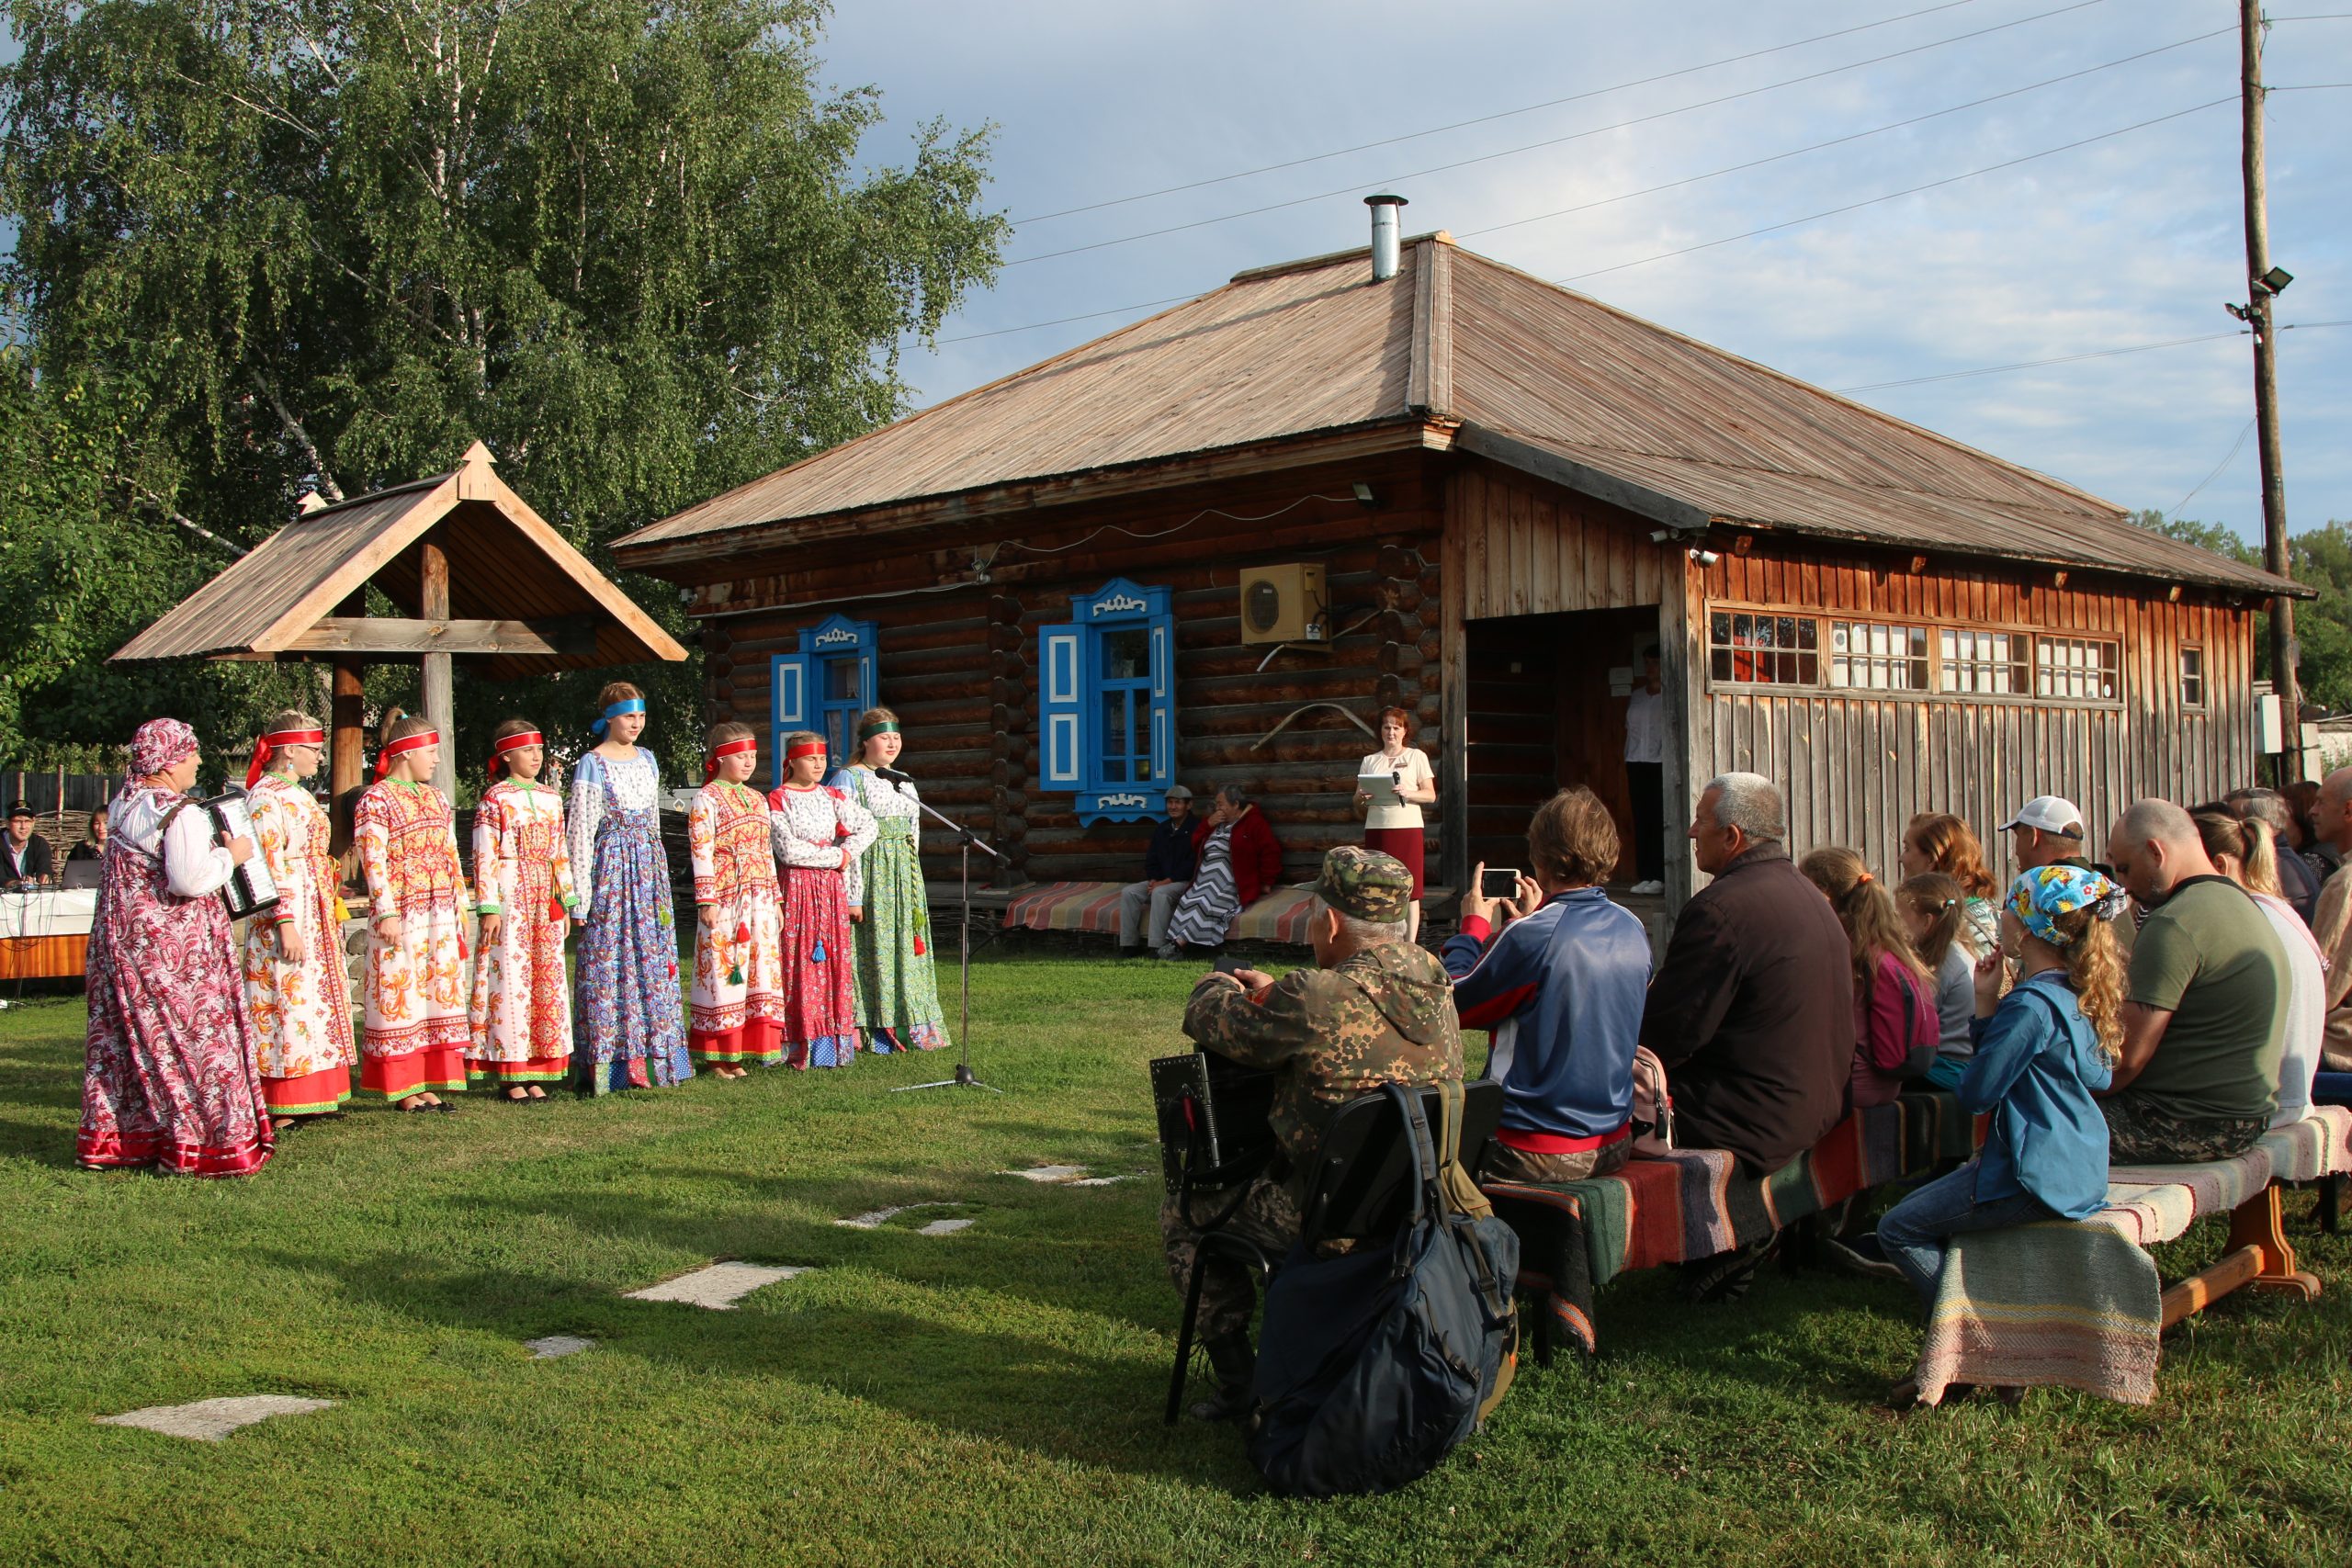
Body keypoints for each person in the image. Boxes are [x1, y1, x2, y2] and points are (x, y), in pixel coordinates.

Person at [1164, 846, 1471, 1420]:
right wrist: (1278, 992)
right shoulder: (1437, 983)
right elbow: (1358, 1011)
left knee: (1185, 1214)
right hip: (1416, 1209)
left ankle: (1239, 1382)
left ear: (1330, 921)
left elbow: (1210, 1021)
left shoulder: (1313, 999)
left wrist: (1215, 983)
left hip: (1325, 1217)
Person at [1871, 866, 2122, 1346]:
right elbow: (2101, 1075)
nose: (2000, 914)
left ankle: (1979, 1344)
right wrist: (1986, 1006)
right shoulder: (2072, 993)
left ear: (2026, 927)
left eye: (2010, 905)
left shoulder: (2030, 1005)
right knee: (1919, 1214)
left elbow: (1976, 1093)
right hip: (2079, 1168)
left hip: (2031, 1174)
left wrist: (1993, 1017)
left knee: (1899, 1228)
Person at [1642, 773, 1853, 1301]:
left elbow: (1667, 1034)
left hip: (1754, 1116)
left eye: (1700, 821)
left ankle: (1724, 1239)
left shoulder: (1723, 909)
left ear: (1732, 837)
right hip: (1817, 1103)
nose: (1691, 833)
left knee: (1608, 1090)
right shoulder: (1809, 894)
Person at [78, 717, 274, 1177]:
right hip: (173, 951)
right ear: (169, 763)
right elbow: (187, 880)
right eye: (191, 754)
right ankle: (204, 1145)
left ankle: (121, 1142)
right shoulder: (179, 811)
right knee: (193, 1040)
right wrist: (233, 855)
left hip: (121, 942)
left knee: (127, 1042)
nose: (198, 761)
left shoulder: (125, 801)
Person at [1443, 787, 1649, 1182]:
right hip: (1614, 1138)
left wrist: (1472, 927)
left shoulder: (1530, 936)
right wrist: (1534, 918)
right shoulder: (1632, 925)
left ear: (1540, 856)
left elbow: (1453, 1003)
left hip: (1533, 1147)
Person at [2100, 799, 2289, 1163]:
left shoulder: (2173, 922)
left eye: (2124, 868)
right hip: (2245, 1117)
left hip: (2189, 1122)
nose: (2123, 884)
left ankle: (1969, 1218)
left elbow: (2124, 1062)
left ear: (2156, 852)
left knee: (2024, 1123)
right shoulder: (2239, 902)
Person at [571, 682, 691, 1093]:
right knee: (611, 957)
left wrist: (658, 868)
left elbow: (654, 823)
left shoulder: (648, 759)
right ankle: (612, 1062)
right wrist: (581, 898)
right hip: (611, 867)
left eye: (641, 716)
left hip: (647, 866)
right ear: (609, 718)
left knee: (653, 958)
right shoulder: (592, 763)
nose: (636, 724)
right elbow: (582, 830)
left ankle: (655, 1057)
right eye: (628, 717)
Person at [240, 712, 356, 1129]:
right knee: (284, 998)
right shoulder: (265, 797)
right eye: (313, 749)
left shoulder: (299, 795)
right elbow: (266, 863)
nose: (319, 758)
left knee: (312, 997)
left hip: (314, 903)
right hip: (287, 910)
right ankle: (282, 1097)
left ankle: (316, 1092)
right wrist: (284, 920)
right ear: (288, 749)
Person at [355, 716, 469, 1112]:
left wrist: (460, 901)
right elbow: (373, 858)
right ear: (407, 752)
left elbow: (450, 850)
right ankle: (403, 1086)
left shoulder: (436, 797)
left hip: (438, 907)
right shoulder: (377, 799)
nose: (436, 760)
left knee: (434, 990)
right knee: (400, 990)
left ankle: (426, 1079)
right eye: (431, 751)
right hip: (402, 908)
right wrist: (384, 911)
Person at [468, 720, 582, 1101]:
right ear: (507, 755)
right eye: (528, 750)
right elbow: (483, 854)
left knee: (546, 978)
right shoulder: (495, 799)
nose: (537, 756)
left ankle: (540, 1066)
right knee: (511, 977)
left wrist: (566, 902)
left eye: (539, 749)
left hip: (544, 895)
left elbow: (560, 853)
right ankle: (510, 1070)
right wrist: (489, 907)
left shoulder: (551, 798)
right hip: (511, 890)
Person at [829, 707, 951, 1053]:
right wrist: (852, 894)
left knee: (906, 946)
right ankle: (869, 1028)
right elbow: (844, 836)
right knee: (873, 948)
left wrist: (912, 879)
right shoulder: (848, 779)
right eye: (885, 737)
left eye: (896, 737)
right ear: (866, 741)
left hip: (903, 875)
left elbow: (914, 833)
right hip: (869, 871)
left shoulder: (903, 779)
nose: (892, 743)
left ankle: (914, 1022)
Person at [2195, 810, 2320, 1127]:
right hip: (2291, 1098)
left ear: (2219, 866)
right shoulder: (2276, 909)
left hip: (2266, 1110)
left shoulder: (2243, 918)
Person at [769, 728, 876, 1068]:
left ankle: (832, 1042)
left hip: (830, 889)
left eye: (821, 758)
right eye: (810, 758)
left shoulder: (831, 796)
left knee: (830, 958)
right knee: (798, 956)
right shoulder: (778, 798)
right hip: (798, 887)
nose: (818, 764)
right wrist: (835, 858)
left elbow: (868, 826)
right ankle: (797, 1041)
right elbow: (788, 850)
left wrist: (846, 853)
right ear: (792, 761)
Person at [1801, 848, 1938, 1111]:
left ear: (1823, 894)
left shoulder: (1843, 952)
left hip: (1851, 1086)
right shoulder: (1891, 950)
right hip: (1887, 1086)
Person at [687, 722, 786, 1077]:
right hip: (727, 896)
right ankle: (718, 1054)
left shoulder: (758, 799)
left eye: (753, 756)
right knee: (725, 968)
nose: (749, 762)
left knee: (758, 972)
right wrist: (707, 898)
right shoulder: (707, 797)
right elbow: (702, 849)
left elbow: (765, 850)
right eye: (741, 756)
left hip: (759, 895)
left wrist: (776, 898)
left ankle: (743, 1050)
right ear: (722, 757)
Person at [1161, 784, 1282, 960]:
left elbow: (1270, 852)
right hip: (1204, 876)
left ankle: (1178, 944)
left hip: (1232, 880)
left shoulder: (1254, 823)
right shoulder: (1215, 822)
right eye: (1216, 804)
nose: (1217, 808)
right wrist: (1207, 825)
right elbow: (1194, 844)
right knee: (1188, 900)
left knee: (1205, 900)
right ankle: (1182, 943)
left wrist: (1266, 881)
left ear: (1235, 805)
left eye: (1221, 804)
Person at [1353, 705, 1438, 942]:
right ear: (1380, 731)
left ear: (1404, 731)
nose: (1391, 732)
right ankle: (1381, 941)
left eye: (1396, 727)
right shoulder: (1370, 761)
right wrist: (1363, 797)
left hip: (1407, 828)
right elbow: (1357, 799)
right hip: (1377, 829)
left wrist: (1407, 792)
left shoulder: (1416, 756)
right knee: (1378, 885)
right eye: (1386, 727)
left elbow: (1430, 795)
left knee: (1410, 888)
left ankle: (1410, 944)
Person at [1895, 873, 1978, 1091]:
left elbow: (1914, 1022)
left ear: (1926, 921)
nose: (1896, 924)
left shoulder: (1942, 965)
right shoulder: (1956, 953)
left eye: (1900, 916)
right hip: (1949, 1063)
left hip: (1945, 1068)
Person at [1118, 785, 1206, 958]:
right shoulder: (1163, 828)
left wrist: (1164, 882)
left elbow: (1192, 863)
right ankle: (1128, 945)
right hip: (1161, 881)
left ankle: (1156, 946)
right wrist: (1153, 879)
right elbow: (1152, 858)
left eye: (1178, 803)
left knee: (1160, 893)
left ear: (1188, 805)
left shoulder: (1197, 828)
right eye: (1170, 803)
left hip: (1185, 882)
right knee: (1129, 892)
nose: (1173, 807)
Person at [1900, 813, 2000, 957]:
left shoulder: (1948, 928)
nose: (1901, 858)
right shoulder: (1997, 914)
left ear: (1931, 860)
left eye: (1907, 848)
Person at [2309, 767, 2352, 1072]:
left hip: (2341, 1046)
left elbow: (2323, 983)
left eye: (2321, 802)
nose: (2312, 811)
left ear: (2348, 810)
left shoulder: (2345, 884)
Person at [2223, 788, 2319, 924]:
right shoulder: (2282, 859)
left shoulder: (2277, 865)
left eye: (2235, 821)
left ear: (2259, 824)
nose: (2228, 829)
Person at [1623, 644, 1668, 896]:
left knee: (1659, 818)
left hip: (1660, 762)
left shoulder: (1670, 695)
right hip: (1636, 760)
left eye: (1655, 663)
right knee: (1641, 818)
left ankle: (1660, 875)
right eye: (1648, 663)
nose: (1651, 669)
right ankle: (1646, 874)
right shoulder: (1638, 695)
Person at [4, 800, 52, 886]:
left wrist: (44, 878)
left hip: (33, 898)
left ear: (33, 823)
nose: (23, 827)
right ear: (7, 823)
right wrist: (15, 883)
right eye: (18, 821)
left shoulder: (39, 844)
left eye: (27, 821)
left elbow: (45, 870)